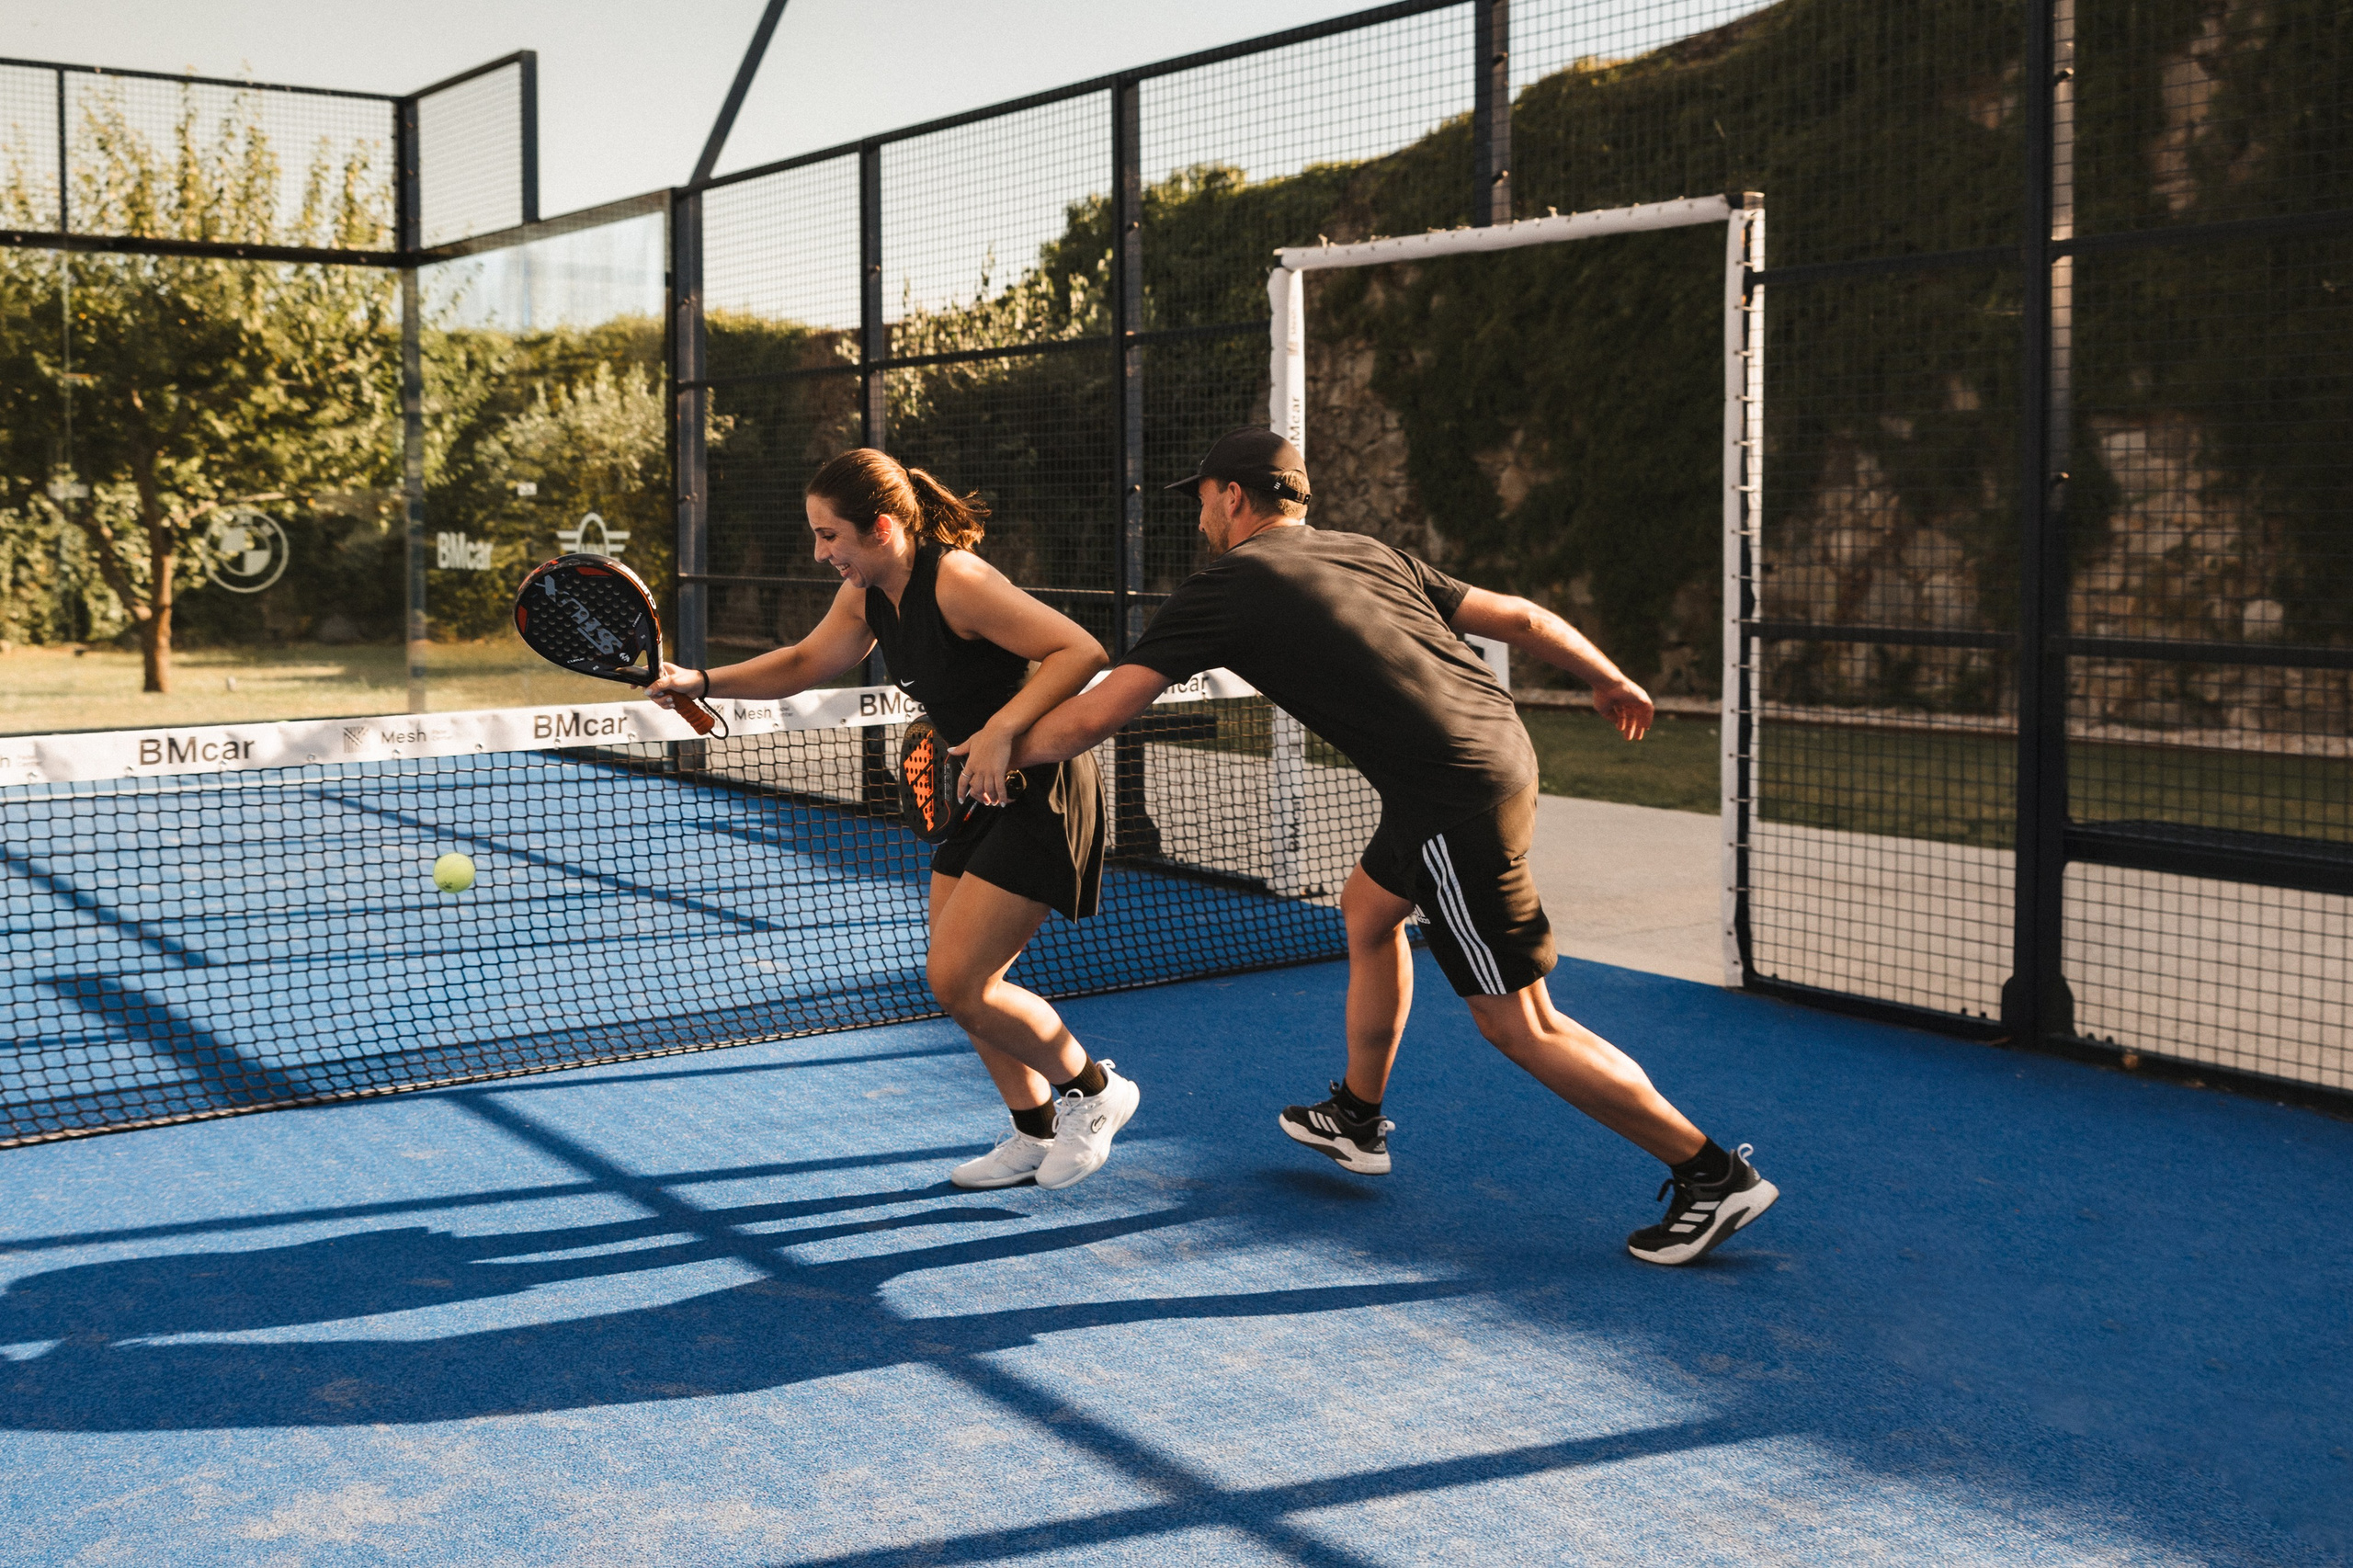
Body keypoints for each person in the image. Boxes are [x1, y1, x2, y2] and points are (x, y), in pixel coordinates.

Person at [989, 426, 1777, 1265]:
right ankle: (1356, 1119)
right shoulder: (1366, 551)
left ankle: (1708, 1174)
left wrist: (995, 750)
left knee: (1523, 1025)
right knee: (1368, 910)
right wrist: (1606, 674)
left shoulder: (1227, 584)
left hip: (1451, 796)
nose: (1201, 521)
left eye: (1204, 502)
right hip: (1494, 756)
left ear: (1233, 497)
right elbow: (1518, 615)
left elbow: (1103, 710)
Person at [647, 449, 1140, 1192]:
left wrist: (1005, 728)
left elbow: (1081, 650)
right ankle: (1034, 1130)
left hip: (1040, 789)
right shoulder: (870, 592)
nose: (821, 554)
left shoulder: (961, 583)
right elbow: (806, 662)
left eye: (828, 535)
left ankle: (1096, 1093)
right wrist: (702, 679)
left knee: (959, 980)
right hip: (978, 792)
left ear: (879, 527)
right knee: (964, 981)